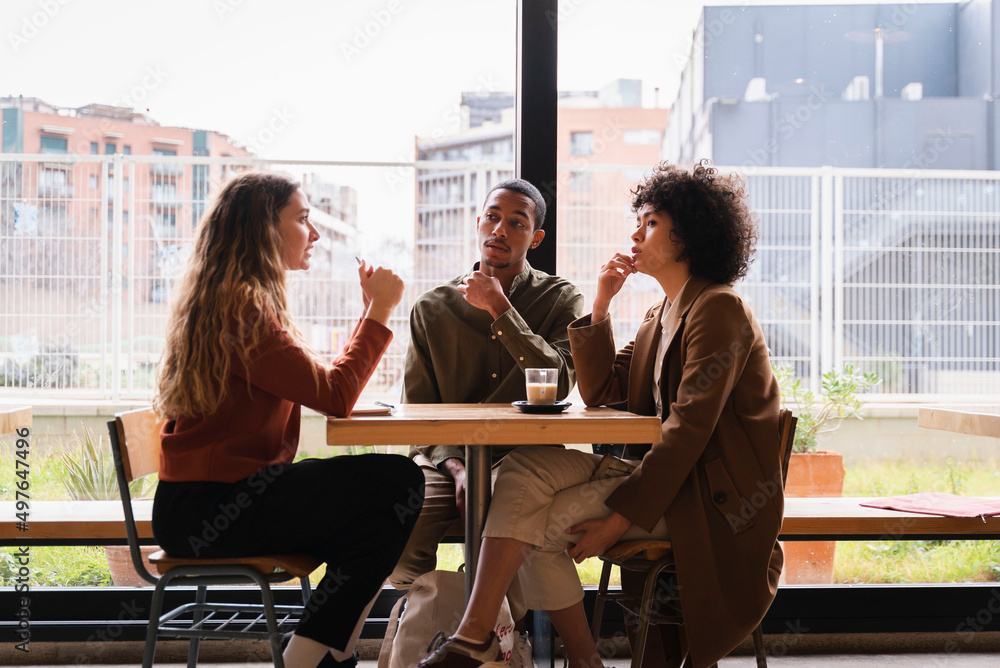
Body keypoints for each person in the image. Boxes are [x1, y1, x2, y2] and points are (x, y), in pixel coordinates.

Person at [418, 160, 783, 668]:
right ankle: (480, 637)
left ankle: (542, 652)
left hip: (705, 498)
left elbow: (688, 433)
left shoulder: (719, 309)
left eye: (651, 223)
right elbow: (603, 391)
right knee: (521, 467)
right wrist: (603, 303)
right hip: (655, 475)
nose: (635, 233)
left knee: (542, 530)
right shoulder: (664, 313)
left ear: (689, 236)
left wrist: (619, 518)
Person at [152, 172, 424, 668]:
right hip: (211, 508)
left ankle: (324, 654)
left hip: (208, 501)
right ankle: (313, 654)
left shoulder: (236, 298)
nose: (314, 234)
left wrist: (370, 313)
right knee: (398, 481)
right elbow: (335, 394)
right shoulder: (243, 307)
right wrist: (381, 310)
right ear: (264, 229)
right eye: (302, 220)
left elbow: (319, 382)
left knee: (379, 510)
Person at [389, 179, 584, 625]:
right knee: (399, 523)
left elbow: (558, 385)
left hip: (526, 463)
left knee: (504, 520)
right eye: (492, 216)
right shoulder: (432, 307)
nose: (500, 229)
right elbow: (418, 413)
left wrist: (502, 311)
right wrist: (457, 468)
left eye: (517, 222)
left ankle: (489, 635)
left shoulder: (561, 298)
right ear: (478, 221)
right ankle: (427, 620)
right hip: (445, 462)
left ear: (535, 238)